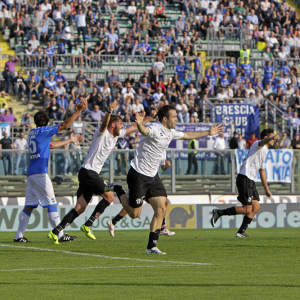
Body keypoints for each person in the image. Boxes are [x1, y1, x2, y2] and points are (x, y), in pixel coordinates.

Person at [115, 105, 223, 254]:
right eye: (174, 117)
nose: (176, 119)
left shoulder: (170, 132)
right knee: (135, 214)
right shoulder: (155, 128)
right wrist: (139, 124)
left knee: (161, 207)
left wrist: (208, 133)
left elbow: (187, 135)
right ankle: (118, 190)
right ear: (165, 119)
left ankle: (151, 246)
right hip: (138, 174)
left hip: (153, 176)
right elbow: (145, 131)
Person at [48, 107, 151, 244]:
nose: (122, 127)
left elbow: (133, 128)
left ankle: (55, 232)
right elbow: (104, 125)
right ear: (113, 124)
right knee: (110, 196)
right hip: (89, 173)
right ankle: (88, 224)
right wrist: (108, 112)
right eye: (120, 124)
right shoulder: (101, 134)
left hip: (86, 173)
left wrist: (147, 118)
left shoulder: (116, 135)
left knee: (80, 207)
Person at [14, 99, 87, 243]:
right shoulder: (44, 131)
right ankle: (60, 235)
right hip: (41, 173)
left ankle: (19, 236)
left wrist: (70, 140)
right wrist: (79, 111)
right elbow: (65, 125)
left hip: (31, 174)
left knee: (29, 206)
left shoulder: (32, 133)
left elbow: (51, 145)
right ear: (47, 122)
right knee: (52, 204)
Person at [210, 128, 279, 238]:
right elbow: (263, 142)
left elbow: (262, 170)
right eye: (272, 137)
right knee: (247, 209)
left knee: (256, 207)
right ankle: (219, 213)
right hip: (244, 177)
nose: (274, 140)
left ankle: (241, 231)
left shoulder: (265, 150)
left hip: (251, 180)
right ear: (267, 137)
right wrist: (272, 137)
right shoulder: (258, 144)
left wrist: (266, 189)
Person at [107, 152, 175, 238]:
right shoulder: (149, 144)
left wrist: (166, 165)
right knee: (134, 211)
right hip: (139, 179)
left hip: (151, 181)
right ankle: (117, 190)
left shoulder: (162, 149)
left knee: (160, 204)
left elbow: (163, 166)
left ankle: (162, 227)